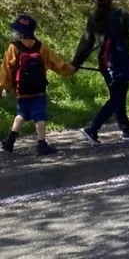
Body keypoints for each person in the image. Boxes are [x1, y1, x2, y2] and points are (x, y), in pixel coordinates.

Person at [72, 0, 129, 144]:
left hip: (105, 64)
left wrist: (75, 64)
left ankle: (127, 129)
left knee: (117, 95)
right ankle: (92, 128)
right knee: (117, 97)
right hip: (120, 62)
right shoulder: (119, 15)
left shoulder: (93, 19)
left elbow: (86, 43)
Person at [1, 15, 75, 155]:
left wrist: (6, 87)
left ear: (22, 33)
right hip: (39, 90)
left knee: (21, 114)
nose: (15, 32)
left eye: (17, 30)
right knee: (39, 116)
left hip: (21, 90)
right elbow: (56, 63)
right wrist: (69, 70)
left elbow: (6, 68)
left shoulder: (13, 47)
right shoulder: (41, 47)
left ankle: (10, 141)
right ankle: (41, 144)